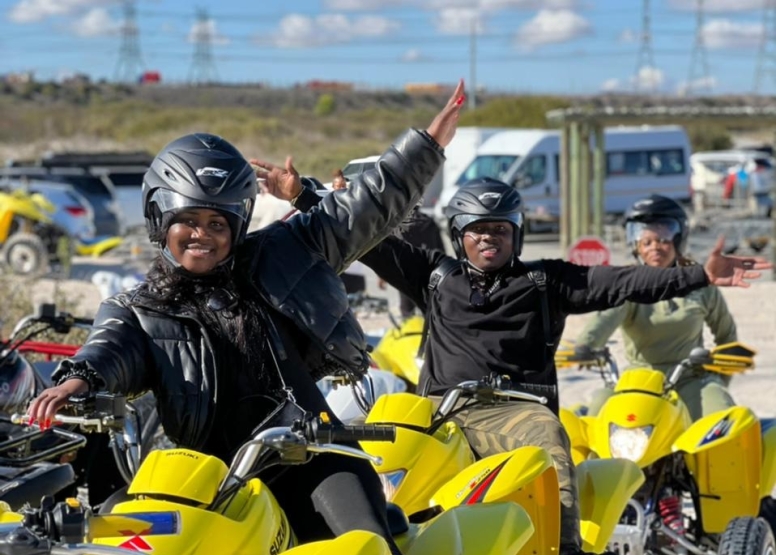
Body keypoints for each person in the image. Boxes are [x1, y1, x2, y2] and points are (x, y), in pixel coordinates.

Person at [25, 81, 466, 553]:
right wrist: (77, 380)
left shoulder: (283, 254)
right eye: (189, 221)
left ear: (238, 226)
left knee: (366, 544)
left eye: (218, 224)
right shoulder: (138, 308)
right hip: (210, 474)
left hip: (313, 454)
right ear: (160, 219)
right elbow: (108, 348)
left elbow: (363, 209)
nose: (203, 235)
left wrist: (427, 145)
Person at [268, 176, 769, 555]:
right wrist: (303, 195)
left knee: (550, 442)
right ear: (460, 234)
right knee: (363, 454)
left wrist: (700, 273)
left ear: (517, 234)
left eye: (500, 230)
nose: (489, 238)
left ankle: (564, 547)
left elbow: (624, 282)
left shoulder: (547, 281)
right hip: (437, 411)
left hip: (515, 409)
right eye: (477, 230)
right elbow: (368, 238)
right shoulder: (435, 275)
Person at [575, 194, 737, 420]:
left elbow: (727, 335)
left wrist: (720, 378)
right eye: (646, 241)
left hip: (690, 380)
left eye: (663, 239)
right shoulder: (627, 284)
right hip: (640, 381)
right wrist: (586, 345)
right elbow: (606, 317)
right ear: (636, 245)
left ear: (679, 240)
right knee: (596, 413)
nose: (655, 248)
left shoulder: (701, 284)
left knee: (722, 417)